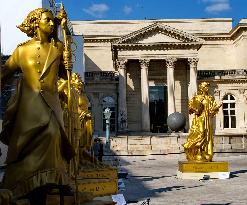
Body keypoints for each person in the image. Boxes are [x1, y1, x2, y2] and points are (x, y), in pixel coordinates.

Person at [0, 8, 75, 203]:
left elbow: (62, 76)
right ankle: (21, 186)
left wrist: (68, 64)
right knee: (22, 146)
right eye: (47, 20)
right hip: (28, 106)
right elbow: (4, 74)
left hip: (50, 104)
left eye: (52, 21)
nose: (51, 24)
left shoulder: (58, 48)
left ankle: (45, 185)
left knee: (52, 134)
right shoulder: (21, 50)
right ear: (36, 23)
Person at [183, 82, 222, 162]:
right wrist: (196, 106)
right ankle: (196, 151)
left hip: (207, 120)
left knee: (207, 136)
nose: (207, 88)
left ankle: (204, 153)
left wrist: (217, 107)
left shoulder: (210, 98)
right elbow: (191, 109)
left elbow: (211, 111)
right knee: (200, 134)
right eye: (206, 87)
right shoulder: (196, 97)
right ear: (202, 88)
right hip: (199, 120)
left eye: (208, 87)